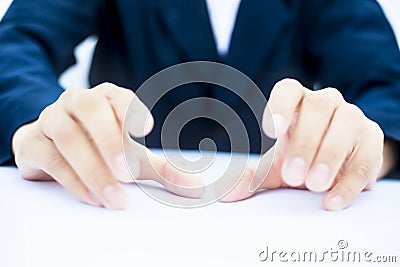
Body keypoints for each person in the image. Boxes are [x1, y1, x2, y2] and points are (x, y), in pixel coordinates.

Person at [0, 0, 399, 211]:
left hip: (277, 216)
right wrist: (40, 124)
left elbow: (386, 87)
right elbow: (16, 44)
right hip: (126, 213)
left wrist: (365, 152)